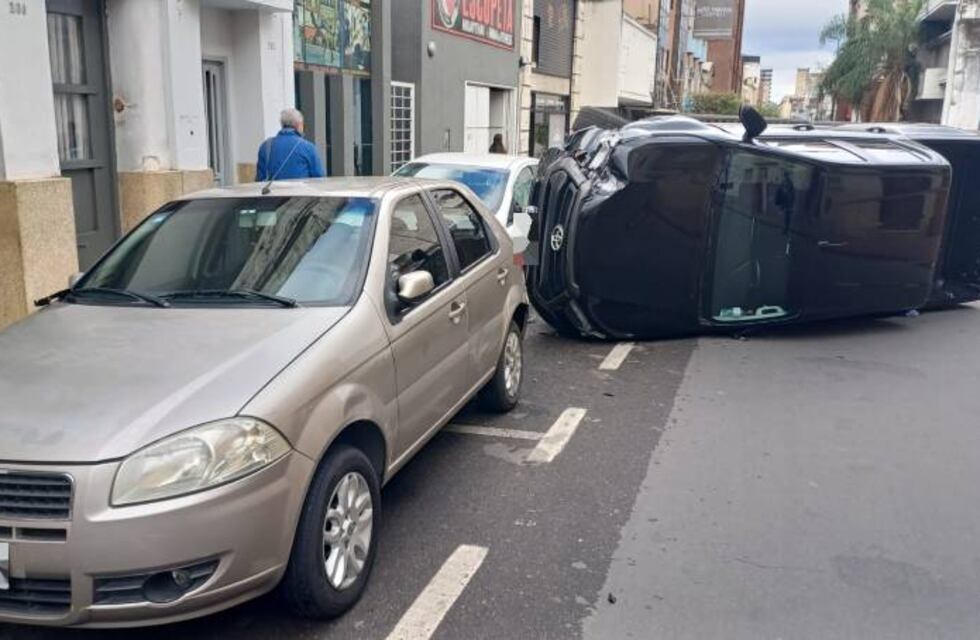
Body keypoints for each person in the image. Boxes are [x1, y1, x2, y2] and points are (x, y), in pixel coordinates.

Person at [255, 109, 325, 181]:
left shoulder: (266, 146)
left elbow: (259, 180)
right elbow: (319, 179)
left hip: (274, 191)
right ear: (299, 125)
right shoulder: (309, 148)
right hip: (300, 191)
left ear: (282, 124)